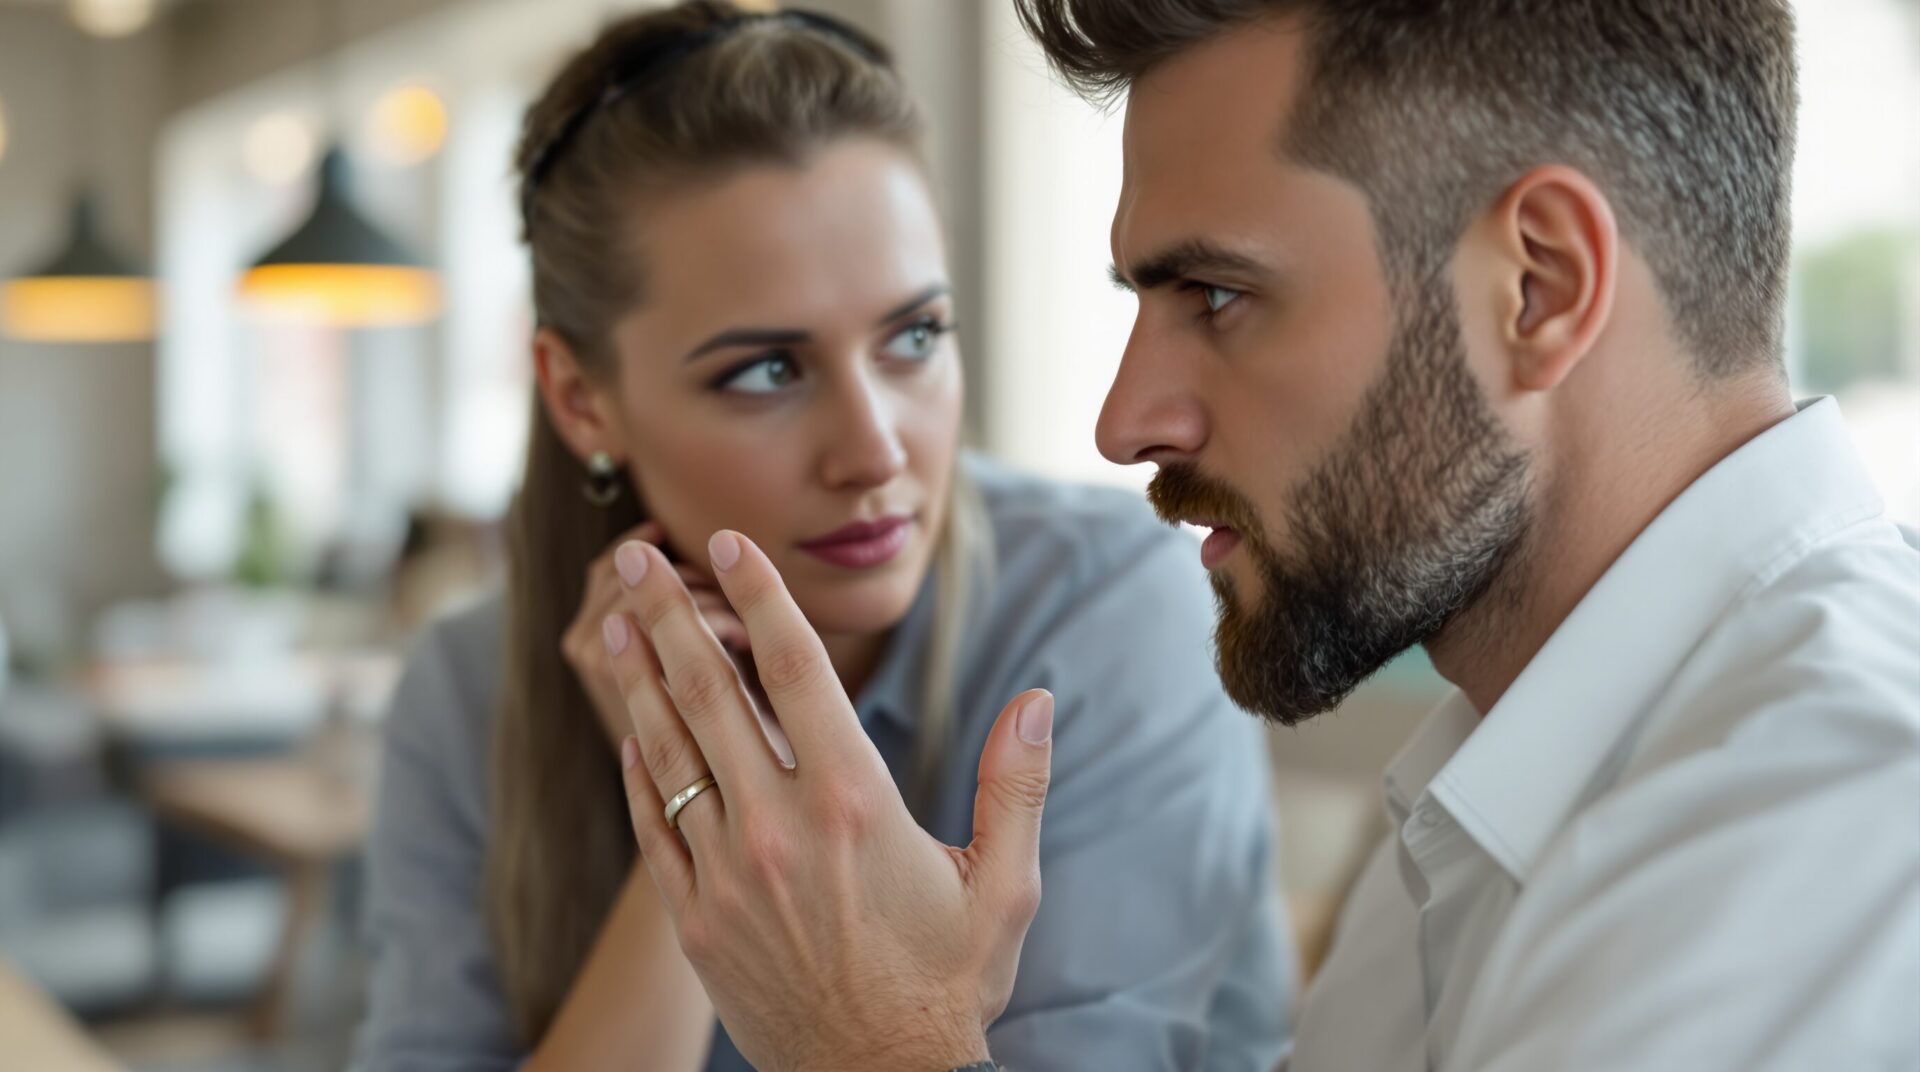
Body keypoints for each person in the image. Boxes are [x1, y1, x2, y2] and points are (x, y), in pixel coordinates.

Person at [597, 1, 1920, 1070]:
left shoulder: (1839, 810)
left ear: (1541, 287)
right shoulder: (1501, 770)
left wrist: (878, 1046)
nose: (1126, 422)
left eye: (1218, 296)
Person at [351, 4, 1293, 1071]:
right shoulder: (465, 690)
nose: (874, 451)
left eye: (915, 337)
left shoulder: (1110, 604)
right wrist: (694, 791)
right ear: (580, 397)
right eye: (766, 370)